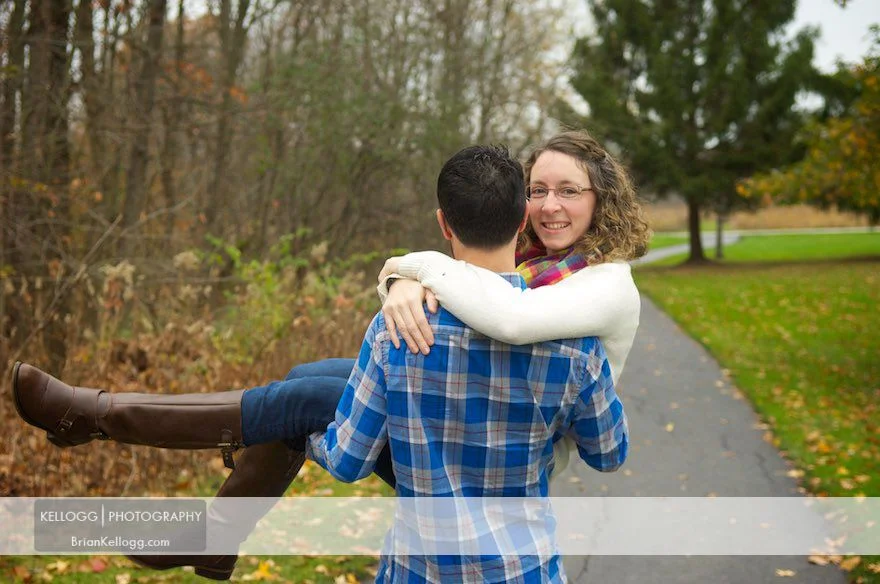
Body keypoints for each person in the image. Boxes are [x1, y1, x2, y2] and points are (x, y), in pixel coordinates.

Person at [12, 129, 649, 578]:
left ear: (602, 201)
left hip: (516, 453)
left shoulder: (602, 284)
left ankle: (98, 417)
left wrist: (410, 270)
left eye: (569, 191)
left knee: (313, 401)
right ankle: (216, 536)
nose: (549, 205)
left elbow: (510, 319)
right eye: (537, 190)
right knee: (305, 379)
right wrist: (408, 282)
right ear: (517, 211)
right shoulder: (547, 269)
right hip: (514, 498)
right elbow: (498, 296)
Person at [305, 143, 628, 582]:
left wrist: (305, 436)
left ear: (443, 223)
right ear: (521, 219)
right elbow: (609, 454)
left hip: (416, 569)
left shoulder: (394, 329)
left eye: (569, 190)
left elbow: (348, 461)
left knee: (301, 387)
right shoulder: (577, 348)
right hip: (524, 568)